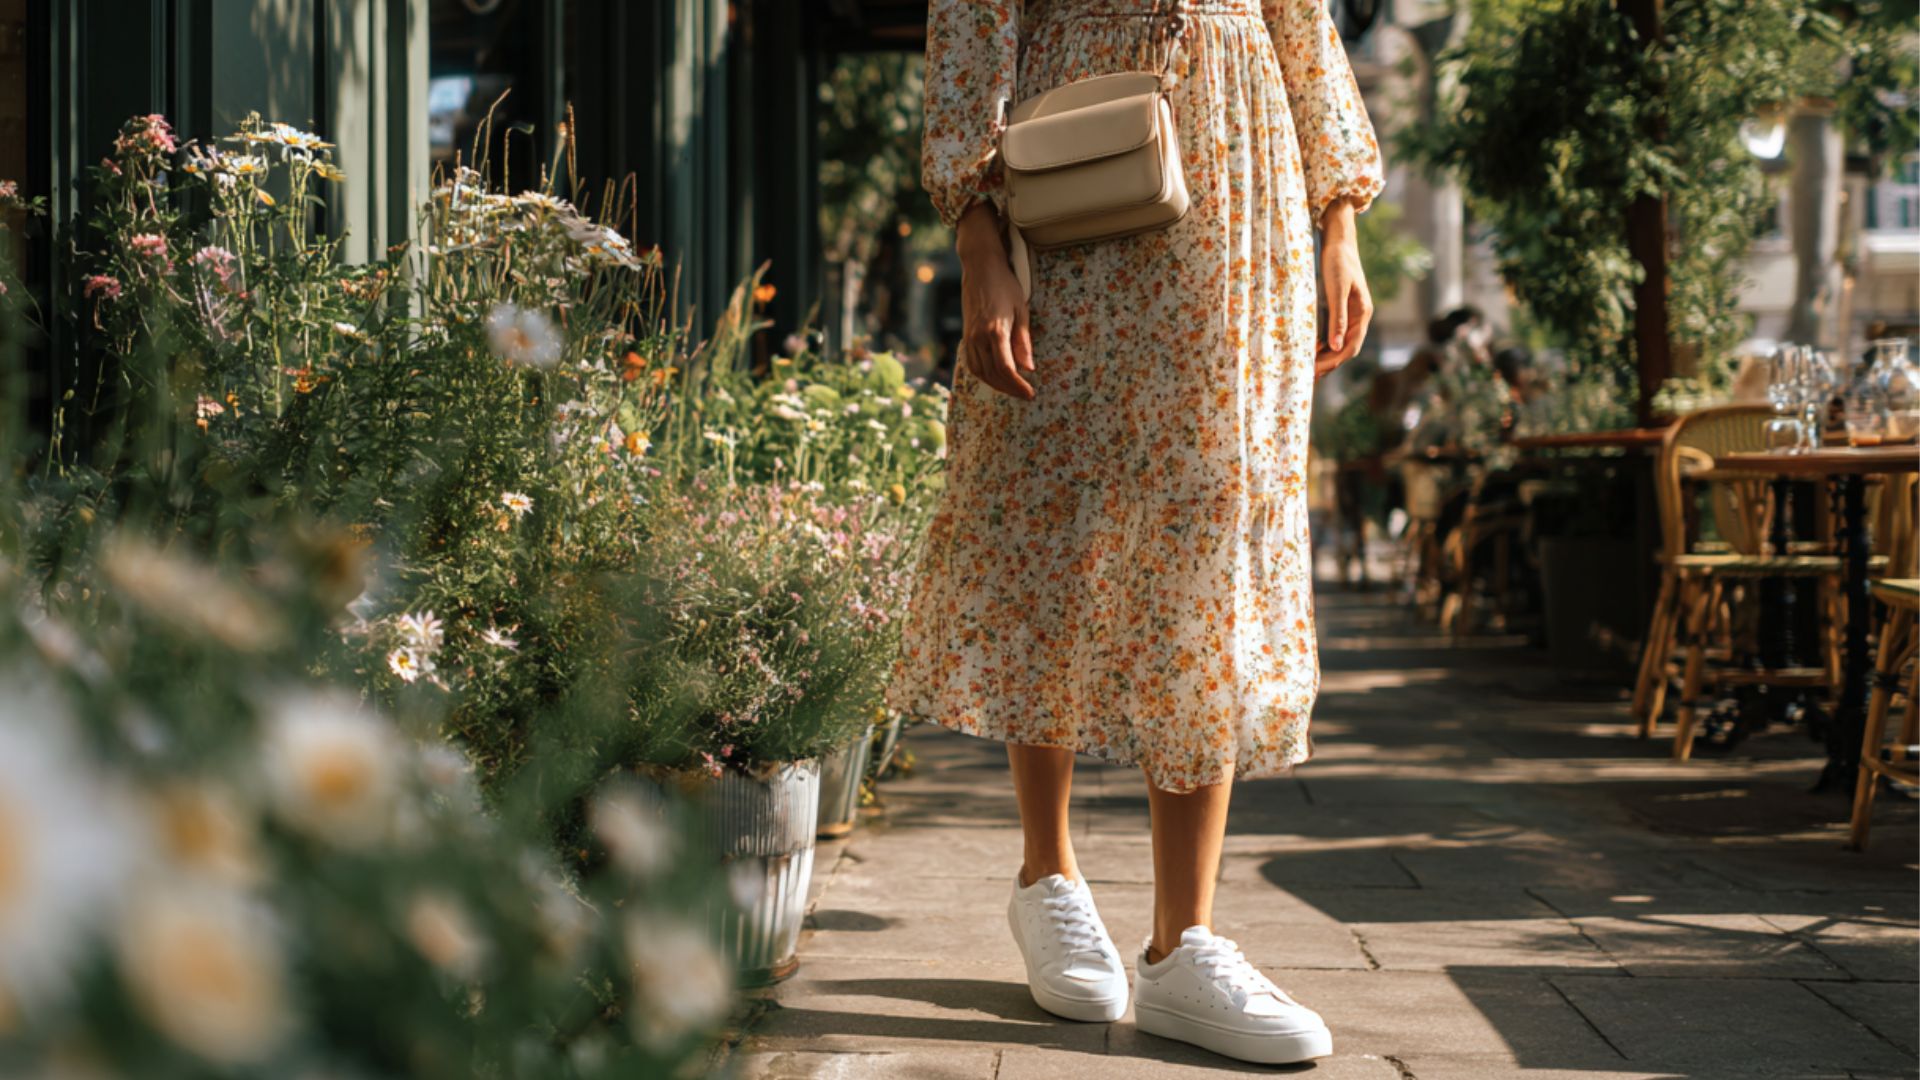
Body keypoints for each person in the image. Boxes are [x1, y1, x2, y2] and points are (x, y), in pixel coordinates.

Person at [890, 0, 1384, 1065]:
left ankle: (1184, 942)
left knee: (1211, 529)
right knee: (1051, 508)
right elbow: (974, 22)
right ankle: (1048, 873)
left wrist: (1339, 215)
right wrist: (977, 230)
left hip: (1244, 187)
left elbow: (1301, 18)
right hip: (1071, 158)